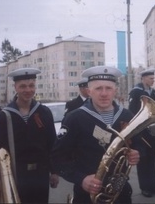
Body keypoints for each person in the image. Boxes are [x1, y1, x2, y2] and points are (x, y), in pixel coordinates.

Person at [51, 66, 140, 204]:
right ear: (89, 91)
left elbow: (138, 144)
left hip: (120, 190)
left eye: (108, 88)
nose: (104, 93)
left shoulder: (126, 115)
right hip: (87, 193)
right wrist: (81, 179)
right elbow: (58, 157)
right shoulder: (75, 118)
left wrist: (135, 153)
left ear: (115, 90)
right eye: (98, 88)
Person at [0, 68, 59, 203]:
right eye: (22, 86)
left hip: (40, 176)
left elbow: (52, 144)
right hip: (13, 177)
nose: (28, 90)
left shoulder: (44, 112)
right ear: (15, 87)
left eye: (31, 85)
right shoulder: (2, 117)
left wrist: (55, 171)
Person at [128, 68, 155, 198]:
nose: (153, 80)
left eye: (153, 78)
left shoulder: (152, 91)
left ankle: (153, 186)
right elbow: (131, 112)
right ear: (143, 79)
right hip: (140, 132)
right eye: (151, 78)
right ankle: (145, 187)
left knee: (151, 159)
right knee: (143, 160)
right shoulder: (136, 92)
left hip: (151, 131)